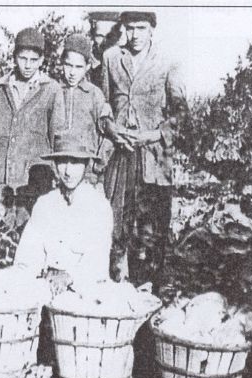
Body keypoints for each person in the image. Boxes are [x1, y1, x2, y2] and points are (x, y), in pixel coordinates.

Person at [101, 11, 187, 284]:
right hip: (119, 155)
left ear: (152, 29)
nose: (135, 34)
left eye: (141, 28)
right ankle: (115, 289)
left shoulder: (167, 62)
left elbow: (181, 114)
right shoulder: (111, 58)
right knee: (114, 225)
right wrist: (111, 128)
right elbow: (102, 105)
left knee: (150, 232)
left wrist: (152, 135)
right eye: (130, 28)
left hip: (154, 158)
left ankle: (149, 292)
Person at [0, 27, 65, 227]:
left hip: (33, 187)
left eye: (34, 60)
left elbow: (58, 141)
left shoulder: (51, 91)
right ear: (14, 57)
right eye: (23, 58)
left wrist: (57, 182)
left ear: (42, 60)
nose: (28, 65)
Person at [14, 129, 113, 291]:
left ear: (86, 164)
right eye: (62, 162)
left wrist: (68, 277)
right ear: (54, 164)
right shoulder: (44, 204)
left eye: (75, 162)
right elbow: (27, 256)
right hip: (45, 289)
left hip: (83, 292)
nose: (68, 171)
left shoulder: (99, 207)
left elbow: (97, 263)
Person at [60, 33, 122, 187]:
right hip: (59, 170)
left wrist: (98, 164)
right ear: (62, 63)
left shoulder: (95, 95)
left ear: (87, 66)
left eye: (78, 67)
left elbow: (109, 133)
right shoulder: (55, 92)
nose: (72, 72)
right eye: (68, 65)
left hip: (87, 173)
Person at [87, 11, 121, 87]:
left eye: (110, 37)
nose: (105, 42)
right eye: (100, 36)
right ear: (92, 36)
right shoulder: (84, 65)